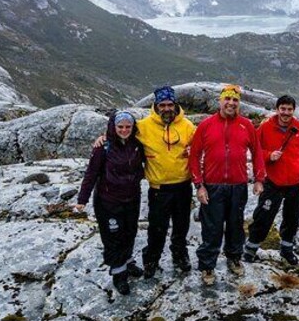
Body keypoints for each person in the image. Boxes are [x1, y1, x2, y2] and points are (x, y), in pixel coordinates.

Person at [189, 84, 266, 285]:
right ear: (220, 101)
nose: (231, 103)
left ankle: (233, 258)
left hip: (238, 185)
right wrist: (199, 185)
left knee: (235, 226)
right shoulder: (206, 125)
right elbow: (194, 156)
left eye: (235, 100)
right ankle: (207, 265)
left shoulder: (246, 125)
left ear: (238, 103)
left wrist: (259, 179)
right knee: (212, 228)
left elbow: (257, 152)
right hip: (212, 186)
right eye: (228, 99)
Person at [75, 111, 145, 295]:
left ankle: (127, 262)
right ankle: (119, 274)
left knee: (130, 232)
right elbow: (91, 174)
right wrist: (82, 199)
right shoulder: (103, 147)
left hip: (132, 198)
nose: (124, 130)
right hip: (108, 202)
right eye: (120, 127)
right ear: (113, 127)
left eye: (128, 127)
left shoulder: (137, 145)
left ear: (133, 127)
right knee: (113, 237)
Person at [244, 95, 299, 266]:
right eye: (283, 109)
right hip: (273, 182)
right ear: (277, 109)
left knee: (292, 218)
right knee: (263, 216)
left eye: (289, 109)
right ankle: (251, 248)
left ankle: (287, 248)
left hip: (295, 183)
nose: (286, 113)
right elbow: (255, 151)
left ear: (293, 110)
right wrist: (269, 155)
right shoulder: (265, 127)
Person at [136, 86, 196, 279]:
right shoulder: (143, 126)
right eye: (162, 105)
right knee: (157, 227)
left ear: (175, 104)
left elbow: (200, 147)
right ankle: (151, 259)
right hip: (158, 189)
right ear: (156, 105)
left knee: (181, 225)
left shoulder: (187, 126)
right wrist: (105, 138)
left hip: (183, 186)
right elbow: (122, 136)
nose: (167, 109)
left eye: (170, 104)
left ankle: (179, 255)